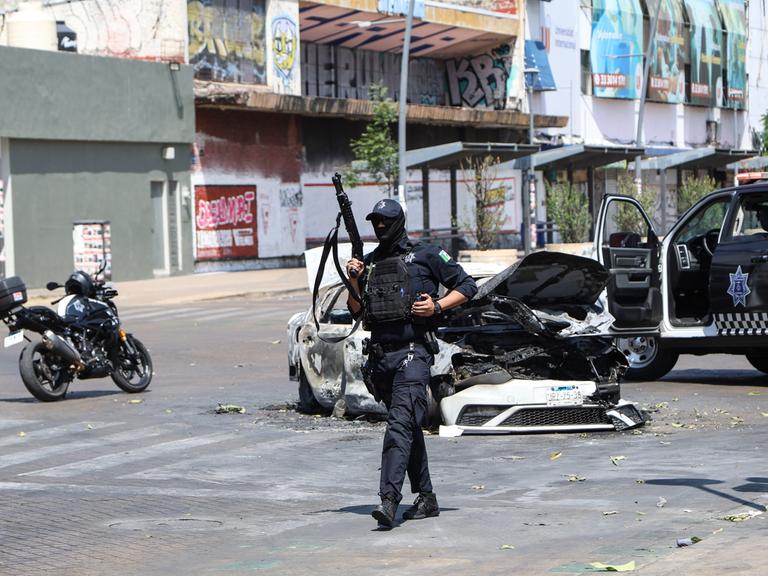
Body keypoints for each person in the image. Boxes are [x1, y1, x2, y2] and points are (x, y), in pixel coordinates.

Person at [345, 198, 478, 528]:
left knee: (398, 426)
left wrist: (437, 306)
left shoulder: (427, 254)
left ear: (398, 222)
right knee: (407, 427)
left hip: (413, 354)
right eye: (374, 221)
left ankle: (388, 500)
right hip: (381, 359)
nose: (379, 226)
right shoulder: (370, 263)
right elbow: (356, 310)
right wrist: (354, 279)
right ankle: (427, 498)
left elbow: (468, 286)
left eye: (385, 221)